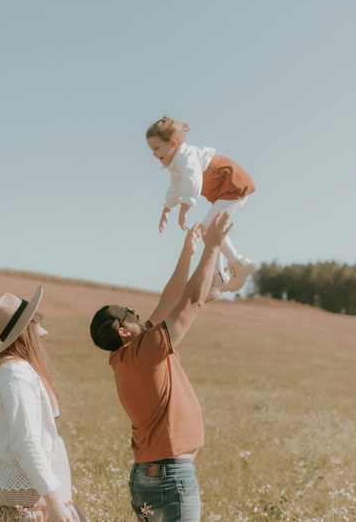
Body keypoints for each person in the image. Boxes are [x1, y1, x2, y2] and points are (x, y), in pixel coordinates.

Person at [90, 211, 234, 522]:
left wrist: (187, 250)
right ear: (124, 331)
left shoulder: (125, 355)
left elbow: (169, 299)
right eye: (130, 313)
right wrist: (212, 247)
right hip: (170, 479)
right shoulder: (147, 348)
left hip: (150, 476)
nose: (136, 311)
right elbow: (191, 302)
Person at [0, 286, 87, 522]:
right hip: (35, 509)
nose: (42, 317)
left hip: (40, 503)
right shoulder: (15, 373)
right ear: (26, 327)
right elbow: (25, 443)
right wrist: (55, 504)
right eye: (35, 316)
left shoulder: (16, 370)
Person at [146, 116, 257, 301]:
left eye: (156, 148)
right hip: (223, 192)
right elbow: (176, 186)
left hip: (233, 185)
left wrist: (184, 209)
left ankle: (239, 263)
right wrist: (168, 208)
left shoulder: (185, 156)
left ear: (173, 143)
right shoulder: (176, 163)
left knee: (209, 229)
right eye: (152, 150)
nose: (154, 154)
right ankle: (218, 278)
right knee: (212, 231)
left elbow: (193, 180)